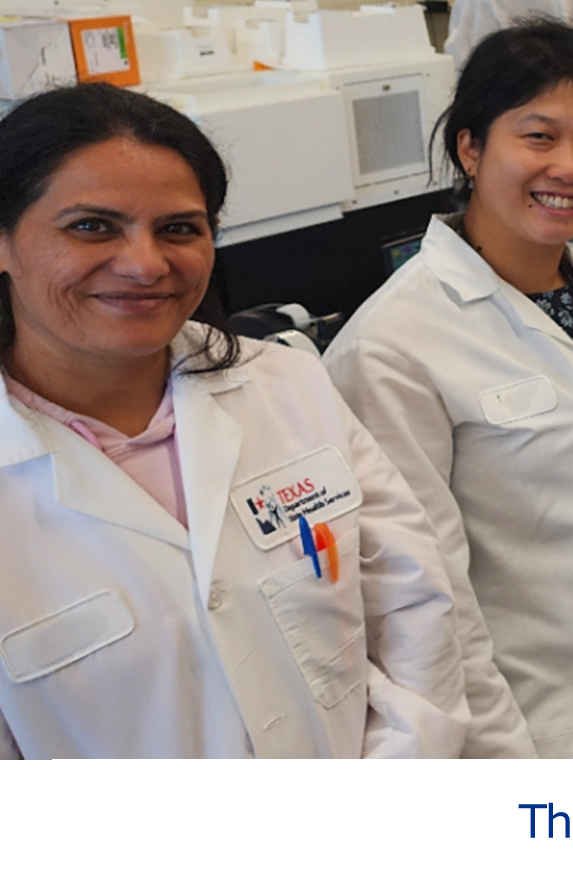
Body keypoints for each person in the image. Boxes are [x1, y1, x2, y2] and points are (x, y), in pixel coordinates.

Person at [0, 84, 466, 757]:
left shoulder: (287, 382)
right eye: (92, 226)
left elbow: (412, 611)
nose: (145, 263)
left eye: (179, 228)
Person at [324, 22, 573, 759]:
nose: (569, 167)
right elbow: (427, 606)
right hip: (530, 734)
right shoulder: (392, 346)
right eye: (538, 136)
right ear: (470, 147)